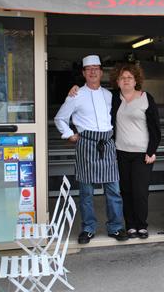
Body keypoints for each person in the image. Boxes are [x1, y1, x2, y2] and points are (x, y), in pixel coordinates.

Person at [68, 63, 161, 239]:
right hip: (118, 152)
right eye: (122, 78)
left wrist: (152, 150)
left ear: (136, 81)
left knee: (140, 192)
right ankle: (130, 225)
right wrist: (74, 90)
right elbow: (91, 110)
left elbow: (155, 128)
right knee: (124, 191)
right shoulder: (113, 98)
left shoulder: (146, 98)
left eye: (129, 78)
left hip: (143, 153)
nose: (126, 81)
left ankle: (142, 225)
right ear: (117, 81)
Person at [54, 55, 128, 244]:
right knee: (86, 192)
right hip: (86, 144)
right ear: (84, 73)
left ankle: (116, 227)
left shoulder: (109, 95)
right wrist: (69, 134)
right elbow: (60, 118)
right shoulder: (76, 94)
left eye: (96, 68)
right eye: (89, 69)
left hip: (107, 143)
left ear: (101, 72)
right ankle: (88, 229)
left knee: (114, 190)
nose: (93, 72)